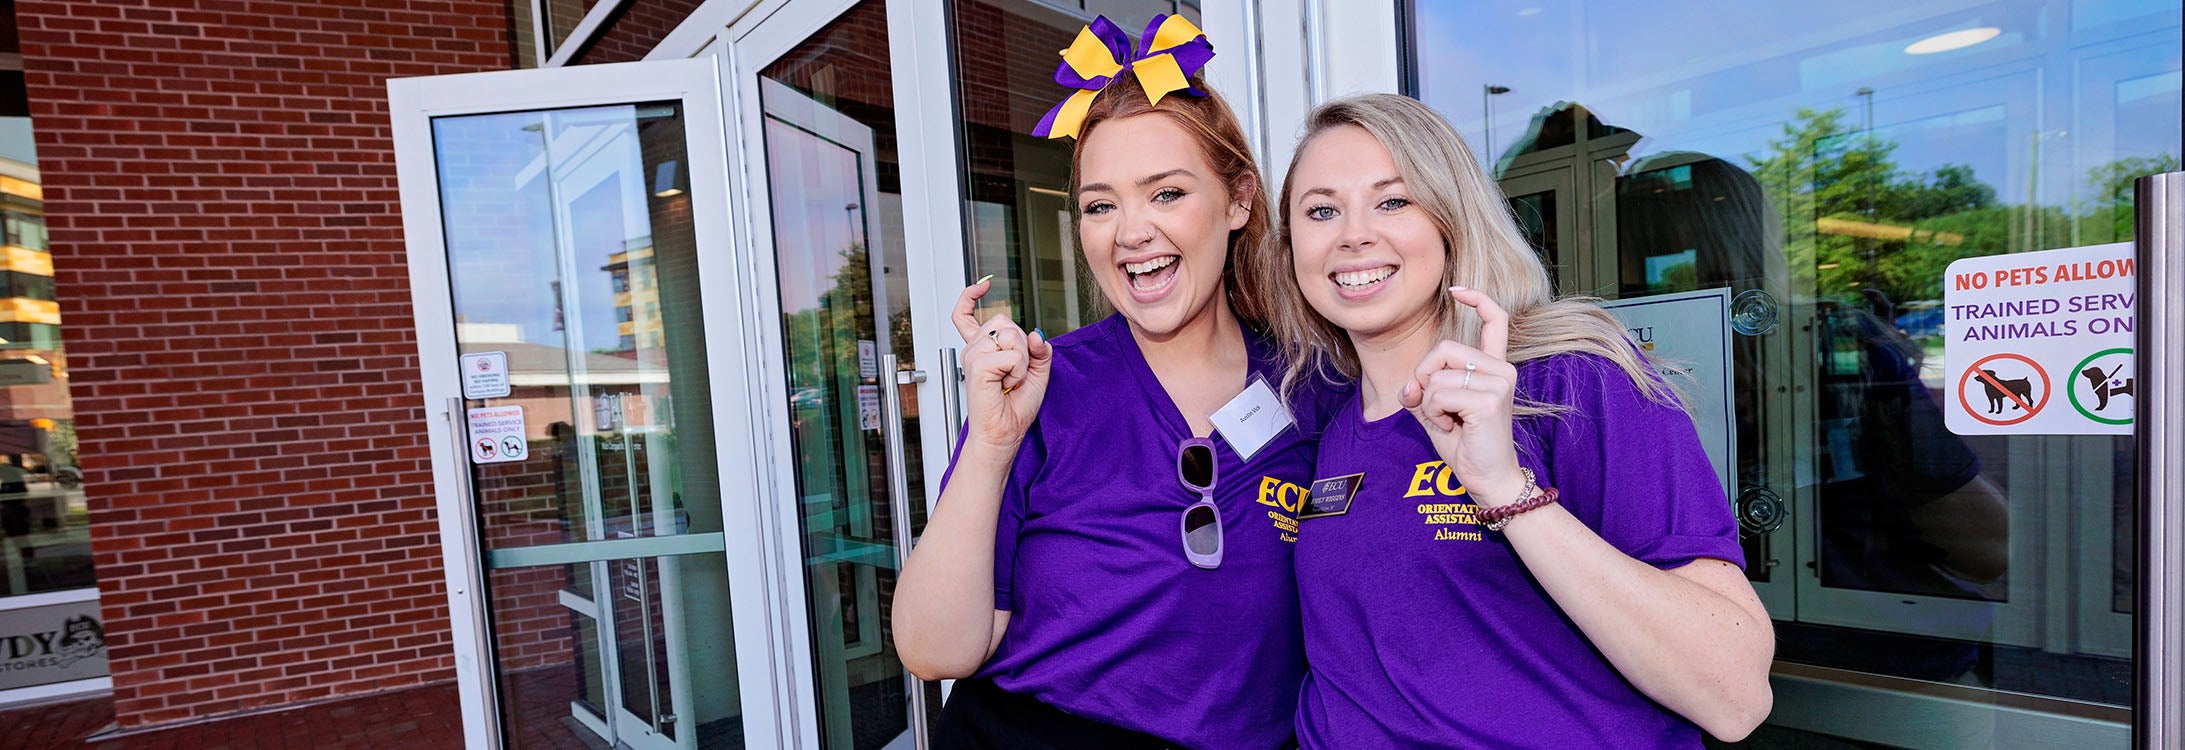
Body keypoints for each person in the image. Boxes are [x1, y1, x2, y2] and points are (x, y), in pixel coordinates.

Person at [1262, 94, 1774, 747]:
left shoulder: (1572, 380)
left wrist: (1506, 490)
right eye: (1321, 210)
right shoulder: (1331, 419)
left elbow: (1733, 695)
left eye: (1393, 201)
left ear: (1453, 218)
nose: (1352, 233)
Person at [893, 15, 1330, 749]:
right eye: (1100, 205)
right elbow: (935, 650)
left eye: (1165, 194)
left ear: (1239, 201)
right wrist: (993, 444)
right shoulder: (1040, 391)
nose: (1129, 232)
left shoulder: (1315, 392)